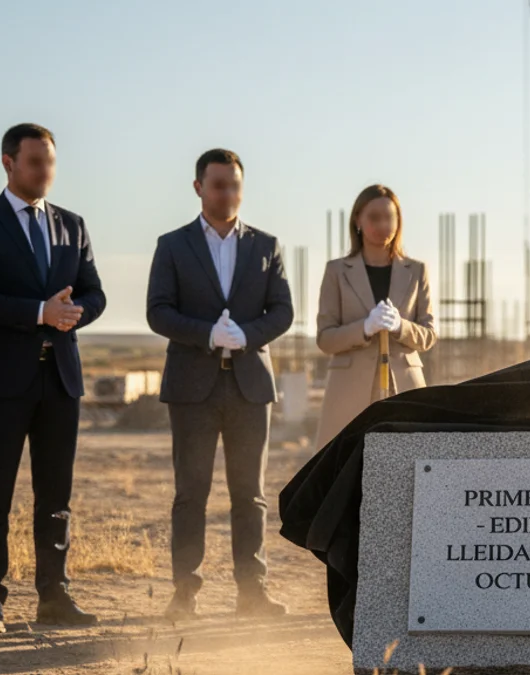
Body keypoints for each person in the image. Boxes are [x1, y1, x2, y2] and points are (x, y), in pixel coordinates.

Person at [0, 123, 106, 633]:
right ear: (8, 163)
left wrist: (70, 314)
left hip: (60, 378)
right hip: (0, 379)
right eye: (35, 161)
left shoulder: (72, 224)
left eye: (51, 162)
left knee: (56, 494)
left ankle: (54, 597)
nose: (46, 171)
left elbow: (94, 294)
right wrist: (40, 311)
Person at [146, 149, 293, 621]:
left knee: (249, 495)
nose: (227, 193)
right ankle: (184, 594)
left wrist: (248, 336)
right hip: (192, 387)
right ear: (198, 188)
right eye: (218, 185)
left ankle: (252, 593)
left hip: (251, 387)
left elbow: (283, 311)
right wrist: (207, 334)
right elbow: (158, 310)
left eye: (234, 184)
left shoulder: (267, 246)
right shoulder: (172, 245)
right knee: (191, 494)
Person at [314, 184, 437, 450]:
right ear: (358, 220)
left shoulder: (416, 270)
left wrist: (400, 327)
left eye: (390, 217)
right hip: (348, 390)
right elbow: (325, 338)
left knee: (408, 468)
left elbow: (428, 335)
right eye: (374, 217)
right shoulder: (337, 271)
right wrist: (365, 328)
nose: (383, 224)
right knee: (346, 471)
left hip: (404, 386)